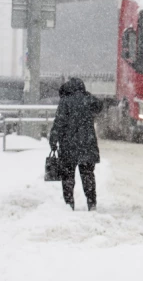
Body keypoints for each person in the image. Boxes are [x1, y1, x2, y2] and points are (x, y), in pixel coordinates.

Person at [49, 77, 103, 211]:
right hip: (87, 144)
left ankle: (69, 203)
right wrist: (87, 95)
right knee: (88, 175)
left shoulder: (65, 101)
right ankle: (92, 203)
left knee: (68, 177)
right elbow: (99, 106)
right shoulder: (88, 100)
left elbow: (59, 122)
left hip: (68, 146)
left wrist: (53, 140)